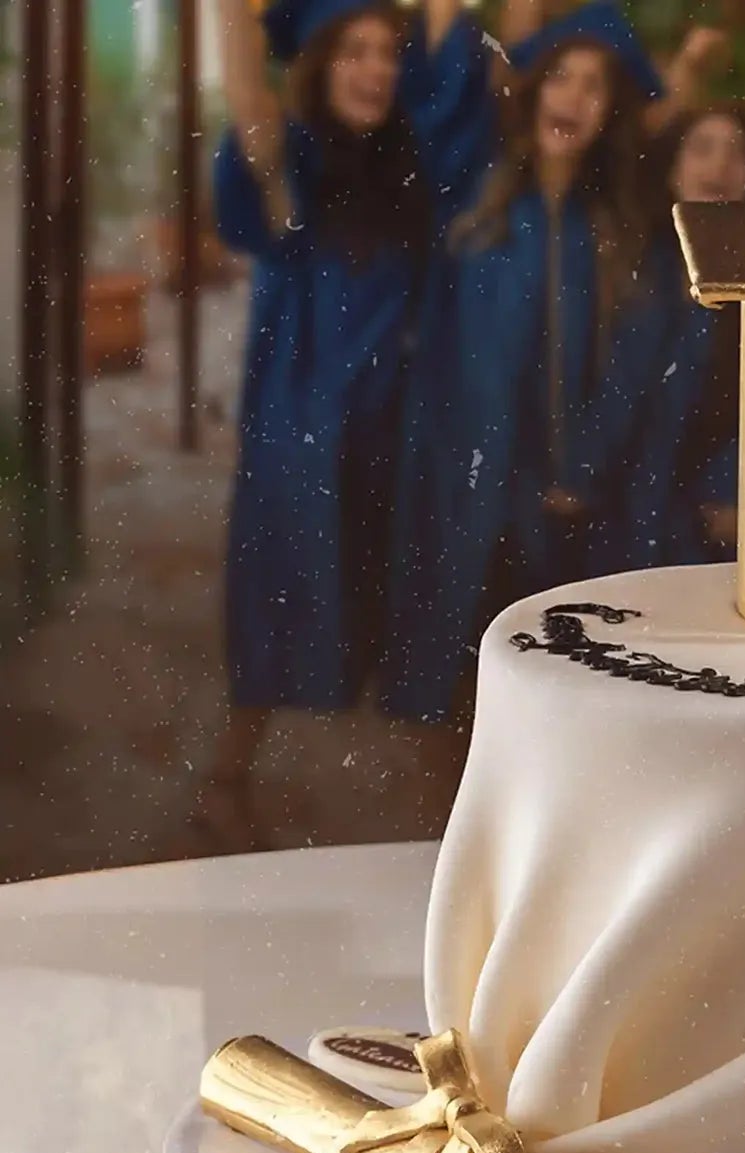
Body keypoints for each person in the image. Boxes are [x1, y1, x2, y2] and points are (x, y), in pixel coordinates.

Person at [197, 0, 488, 849]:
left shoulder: (415, 159)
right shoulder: (298, 162)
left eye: (386, 54)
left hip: (406, 426)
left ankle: (449, 830)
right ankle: (223, 782)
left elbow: (455, 45)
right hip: (309, 425)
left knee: (418, 610)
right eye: (353, 53)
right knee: (283, 598)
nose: (375, 70)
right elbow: (253, 122)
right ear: (318, 67)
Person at [381, 0, 663, 729]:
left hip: (566, 494)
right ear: (534, 90)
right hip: (468, 479)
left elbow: (632, 370)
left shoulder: (621, 230)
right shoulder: (475, 202)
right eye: (561, 76)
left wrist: (585, 471)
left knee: (559, 689)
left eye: (595, 85)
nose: (573, 96)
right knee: (453, 682)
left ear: (612, 112)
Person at [561, 105, 745, 571]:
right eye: (702, 149)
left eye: (737, 153)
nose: (720, 165)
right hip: (622, 524)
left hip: (719, 532)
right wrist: (576, 477)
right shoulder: (636, 271)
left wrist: (736, 493)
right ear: (674, 173)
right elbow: (614, 394)